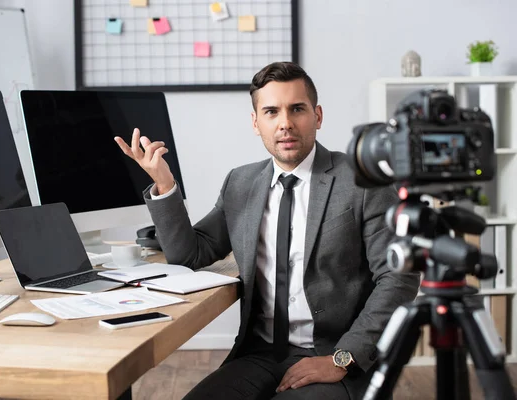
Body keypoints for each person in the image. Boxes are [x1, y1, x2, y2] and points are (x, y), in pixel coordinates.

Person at [115, 61, 420, 400]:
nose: (285, 124)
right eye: (271, 111)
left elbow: (399, 277)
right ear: (256, 122)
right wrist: (164, 183)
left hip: (333, 354)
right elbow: (191, 254)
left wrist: (341, 359)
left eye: (297, 109)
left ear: (317, 116)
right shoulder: (240, 182)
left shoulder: (363, 181)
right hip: (258, 354)